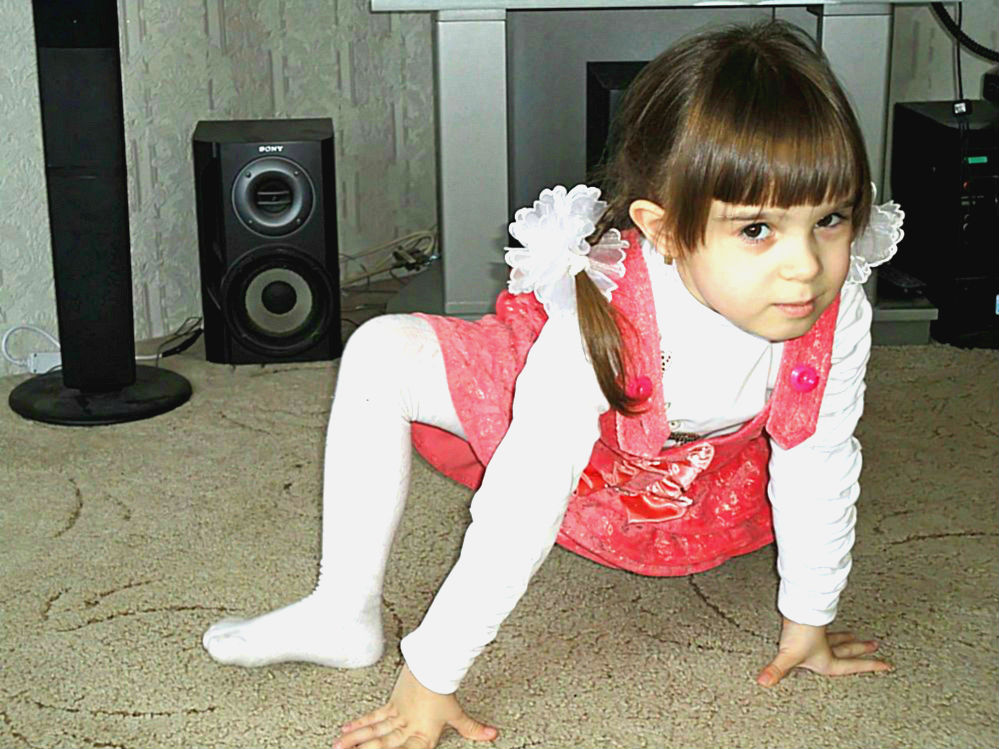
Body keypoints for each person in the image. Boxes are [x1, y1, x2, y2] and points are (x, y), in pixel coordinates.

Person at [202, 20, 904, 749]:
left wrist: (809, 620)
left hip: (694, 476)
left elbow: (819, 459)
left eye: (829, 219)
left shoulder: (837, 308)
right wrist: (432, 673)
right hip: (570, 421)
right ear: (662, 230)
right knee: (381, 348)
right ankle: (340, 608)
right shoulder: (606, 316)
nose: (805, 266)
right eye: (756, 229)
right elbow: (524, 494)